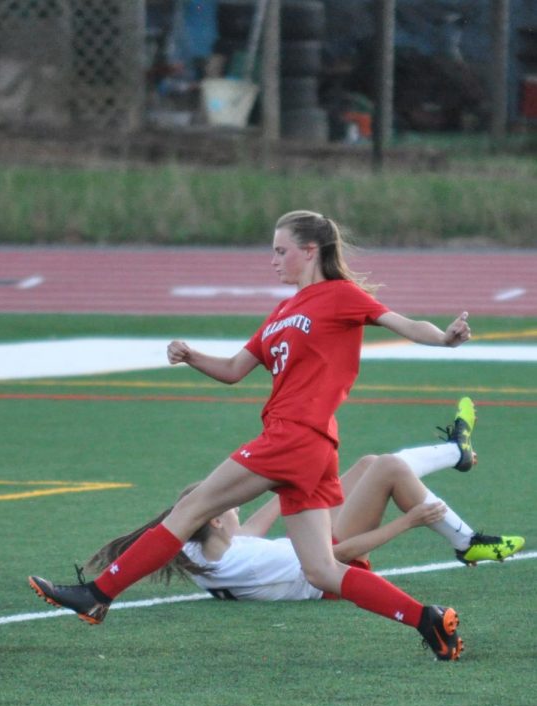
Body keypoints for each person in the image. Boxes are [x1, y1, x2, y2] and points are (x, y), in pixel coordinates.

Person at [29, 210, 474, 661]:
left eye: (281, 251)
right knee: (321, 570)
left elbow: (401, 323)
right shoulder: (282, 312)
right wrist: (192, 356)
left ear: (309, 251)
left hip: (294, 436)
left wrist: (444, 338)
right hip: (310, 447)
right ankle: (429, 620)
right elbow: (235, 370)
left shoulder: (340, 295)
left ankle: (98, 595)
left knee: (192, 507)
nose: (274, 260)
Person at [80, 403, 525, 604]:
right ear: (215, 520)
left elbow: (248, 533)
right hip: (329, 571)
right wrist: (406, 523)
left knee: (370, 463)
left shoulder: (200, 551)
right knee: (387, 468)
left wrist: (282, 481)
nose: (236, 507)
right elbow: (333, 559)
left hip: (315, 553)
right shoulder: (244, 559)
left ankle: (456, 452)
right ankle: (465, 539)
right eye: (229, 507)